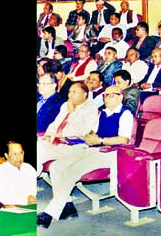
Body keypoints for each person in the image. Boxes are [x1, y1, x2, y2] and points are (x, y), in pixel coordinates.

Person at [37, 84, 130, 228]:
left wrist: (100, 140)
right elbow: (91, 132)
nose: (107, 98)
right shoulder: (102, 113)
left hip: (111, 153)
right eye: (105, 95)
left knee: (71, 171)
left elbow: (124, 139)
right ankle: (67, 208)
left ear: (121, 97)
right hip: (93, 149)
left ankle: (50, 213)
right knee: (56, 166)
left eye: (112, 95)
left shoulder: (125, 114)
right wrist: (89, 137)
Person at [0, 142, 37, 206]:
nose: (18, 157)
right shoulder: (1, 172)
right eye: (14, 154)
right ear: (6, 156)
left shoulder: (29, 168)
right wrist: (25, 200)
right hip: (15, 208)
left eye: (20, 153)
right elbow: (0, 197)